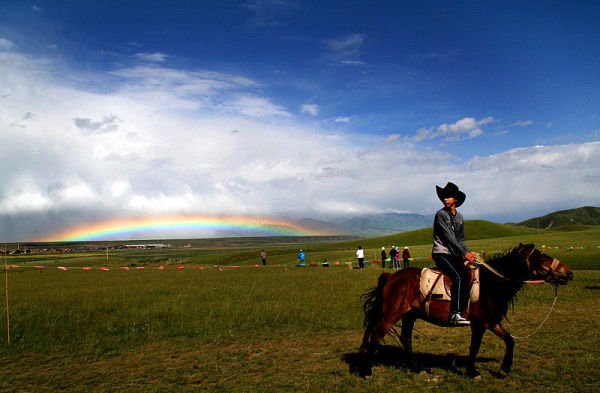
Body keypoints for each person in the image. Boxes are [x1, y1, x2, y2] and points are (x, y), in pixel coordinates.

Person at [431, 182, 477, 325]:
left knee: (466, 274)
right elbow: (449, 238)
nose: (445, 199)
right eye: (444, 196)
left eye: (449, 196)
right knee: (457, 276)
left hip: (454, 254)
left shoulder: (460, 217)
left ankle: (464, 310)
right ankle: (454, 313)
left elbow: (460, 239)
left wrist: (468, 253)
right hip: (441, 253)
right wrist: (464, 254)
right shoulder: (441, 215)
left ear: (455, 199)